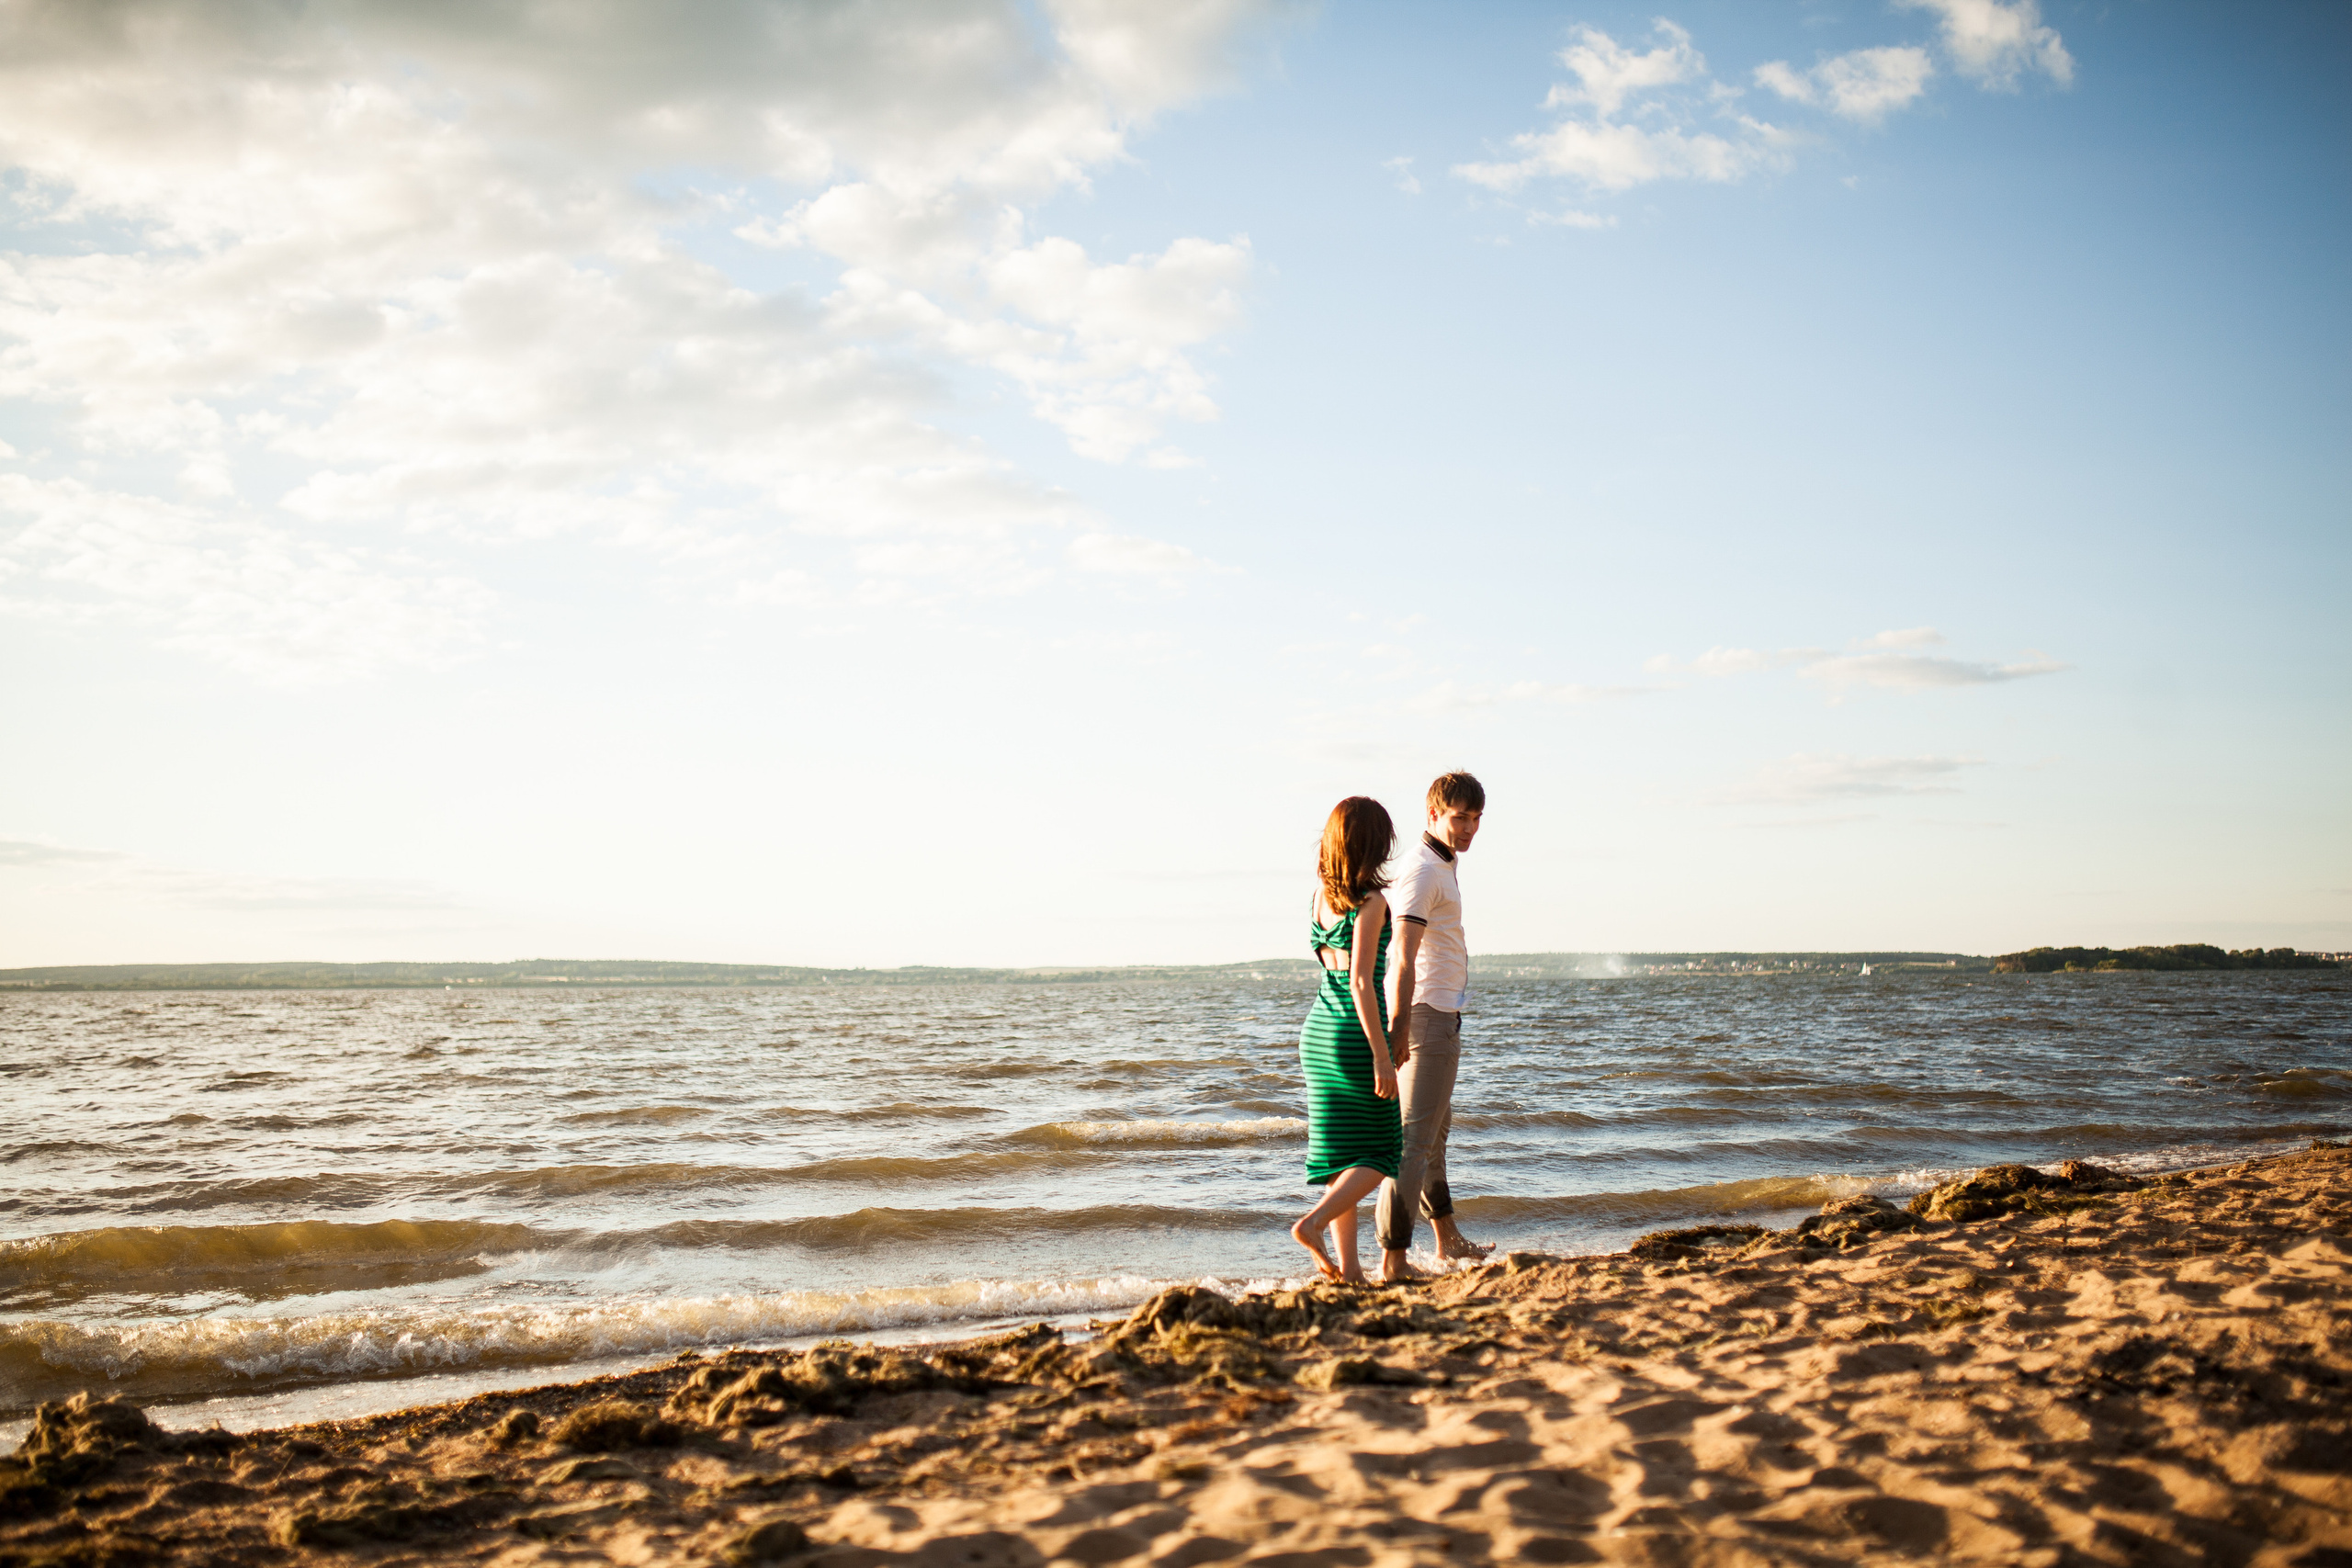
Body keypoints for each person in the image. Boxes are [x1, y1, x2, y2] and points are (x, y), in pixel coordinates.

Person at [1377, 770, 1494, 1280]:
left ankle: (1448, 1242)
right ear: (1433, 814)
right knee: (1412, 1143)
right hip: (1424, 1017)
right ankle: (1393, 1260)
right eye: (1459, 818)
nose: (1469, 828)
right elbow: (1403, 956)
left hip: (1441, 1015)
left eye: (1476, 819)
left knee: (1433, 1138)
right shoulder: (1424, 870)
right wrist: (1398, 1030)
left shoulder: (1441, 863)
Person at [1289, 795, 1403, 1283]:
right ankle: (1312, 1223)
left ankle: (1351, 1270)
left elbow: (1334, 972)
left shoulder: (1319, 897)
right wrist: (1382, 1055)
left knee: (1343, 1156)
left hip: (1317, 1032)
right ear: (1373, 846)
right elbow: (1360, 982)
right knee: (1383, 1149)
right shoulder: (1371, 903)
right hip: (1354, 1033)